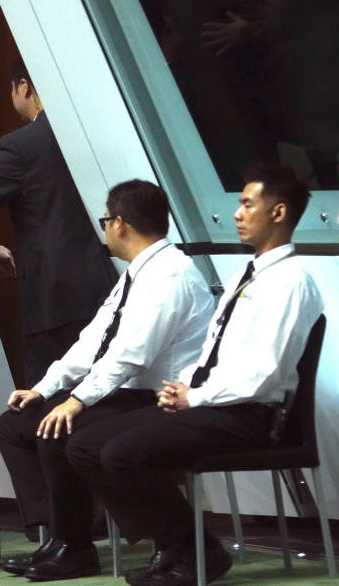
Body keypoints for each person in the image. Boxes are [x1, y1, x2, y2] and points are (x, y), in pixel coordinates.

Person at [67, 162, 324, 586]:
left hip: (252, 416)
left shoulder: (290, 282)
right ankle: (176, 544)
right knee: (85, 445)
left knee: (122, 453)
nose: (237, 214)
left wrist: (197, 397)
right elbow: (217, 353)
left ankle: (196, 550)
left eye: (247, 204)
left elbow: (265, 373)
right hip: (218, 405)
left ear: (278, 213)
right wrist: (186, 389)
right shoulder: (250, 274)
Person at [0, 180, 214, 580]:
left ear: (120, 224)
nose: (105, 229)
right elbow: (91, 341)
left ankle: (78, 544)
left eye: (106, 220)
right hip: (126, 394)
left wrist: (77, 400)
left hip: (157, 398)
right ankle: (60, 535)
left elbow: (131, 354)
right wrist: (44, 388)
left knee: (57, 429)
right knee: (14, 425)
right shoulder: (135, 274)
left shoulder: (170, 275)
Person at [0, 53, 117, 386]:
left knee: (48, 404)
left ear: (24, 86)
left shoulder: (21, 145)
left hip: (54, 296)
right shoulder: (94, 128)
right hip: (104, 280)